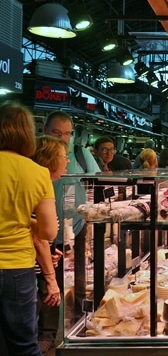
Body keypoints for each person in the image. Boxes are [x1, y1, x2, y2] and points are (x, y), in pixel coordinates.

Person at [0, 102, 58, 356]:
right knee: (23, 345)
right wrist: (25, 220)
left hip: (18, 266)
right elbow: (48, 232)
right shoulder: (36, 172)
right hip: (16, 268)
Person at [43, 110, 101, 337]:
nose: (62, 138)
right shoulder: (38, 154)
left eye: (67, 133)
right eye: (57, 132)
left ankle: (78, 320)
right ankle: (49, 331)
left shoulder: (80, 153)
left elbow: (96, 179)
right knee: (49, 279)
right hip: (46, 226)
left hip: (75, 223)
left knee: (79, 273)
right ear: (46, 130)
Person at [30, 136, 69, 355]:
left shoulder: (46, 183)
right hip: (24, 268)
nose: (68, 162)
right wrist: (51, 277)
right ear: (51, 159)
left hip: (36, 263)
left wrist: (50, 250)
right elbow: (37, 237)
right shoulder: (38, 183)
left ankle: (45, 339)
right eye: (65, 156)